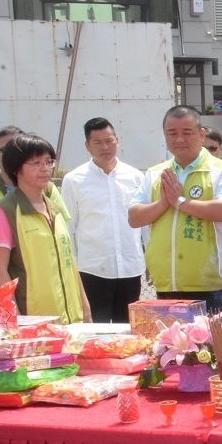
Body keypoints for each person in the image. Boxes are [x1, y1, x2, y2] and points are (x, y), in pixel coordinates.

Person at [128, 105, 222, 313]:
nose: (179, 139)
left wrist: (181, 203)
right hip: (166, 287)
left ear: (201, 134)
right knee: (171, 346)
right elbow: (134, 217)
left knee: (213, 346)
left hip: (211, 287)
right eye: (172, 133)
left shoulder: (220, 171)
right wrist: (164, 203)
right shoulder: (155, 174)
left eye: (187, 133)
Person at [0, 134, 90, 323]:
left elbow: (69, 263)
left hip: (72, 319)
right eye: (35, 163)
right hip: (33, 321)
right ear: (16, 168)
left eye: (48, 162)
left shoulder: (55, 208)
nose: (45, 169)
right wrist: (14, 320)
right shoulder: (4, 211)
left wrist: (86, 310)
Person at [60, 118, 145, 323]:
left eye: (109, 140)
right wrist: (71, 268)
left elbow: (146, 222)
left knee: (129, 329)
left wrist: (149, 258)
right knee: (95, 330)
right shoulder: (74, 180)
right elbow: (68, 228)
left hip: (130, 267)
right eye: (97, 142)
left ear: (117, 140)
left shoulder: (135, 176)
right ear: (87, 146)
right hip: (92, 270)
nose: (105, 147)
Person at [0, 126, 68, 283]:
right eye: (7, 150)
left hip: (46, 283)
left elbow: (61, 233)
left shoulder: (48, 190)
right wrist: (14, 229)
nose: (44, 168)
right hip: (1, 287)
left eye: (48, 162)